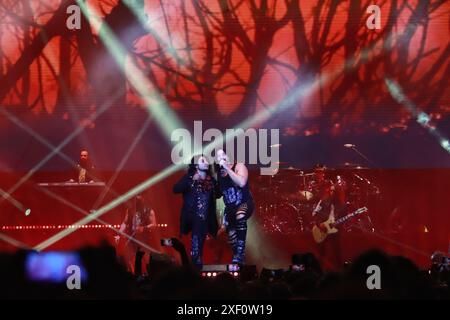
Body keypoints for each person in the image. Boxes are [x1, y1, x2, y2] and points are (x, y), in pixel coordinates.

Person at [173, 155, 219, 270]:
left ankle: (196, 267)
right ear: (196, 165)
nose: (206, 162)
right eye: (202, 161)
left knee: (203, 246)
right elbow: (176, 189)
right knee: (196, 246)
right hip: (194, 219)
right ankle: (195, 268)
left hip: (207, 219)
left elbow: (218, 194)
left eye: (206, 160)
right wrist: (191, 180)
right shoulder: (189, 177)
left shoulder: (211, 180)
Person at [216, 149, 254, 265]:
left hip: (244, 203)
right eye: (218, 157)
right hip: (230, 208)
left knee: (240, 215)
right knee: (231, 234)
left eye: (223, 155)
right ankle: (239, 260)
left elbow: (241, 183)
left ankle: (240, 253)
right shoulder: (220, 173)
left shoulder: (239, 166)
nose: (220, 158)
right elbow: (220, 193)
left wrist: (227, 168)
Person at [115, 193, 157, 274]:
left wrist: (144, 228)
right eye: (136, 196)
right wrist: (119, 234)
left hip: (144, 239)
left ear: (143, 198)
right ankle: (133, 274)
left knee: (146, 258)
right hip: (133, 238)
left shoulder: (149, 210)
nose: (137, 198)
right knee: (127, 258)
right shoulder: (130, 210)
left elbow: (154, 224)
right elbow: (125, 223)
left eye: (139, 196)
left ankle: (150, 275)